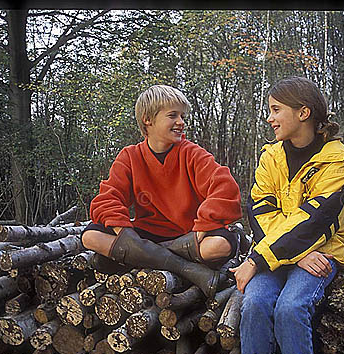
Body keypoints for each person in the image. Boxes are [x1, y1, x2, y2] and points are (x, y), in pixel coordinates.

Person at [229, 76, 344, 354]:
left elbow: (315, 221)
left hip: (322, 253)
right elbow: (260, 212)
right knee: (255, 305)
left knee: (290, 308)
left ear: (303, 113)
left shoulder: (338, 162)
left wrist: (258, 259)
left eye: (275, 109)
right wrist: (293, 253)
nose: (269, 118)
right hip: (287, 254)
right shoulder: (270, 157)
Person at [81, 84, 243, 298]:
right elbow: (108, 198)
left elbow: (225, 188)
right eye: (173, 115)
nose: (181, 122)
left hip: (188, 235)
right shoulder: (130, 156)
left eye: (182, 116)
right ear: (148, 119)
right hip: (147, 233)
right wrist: (125, 236)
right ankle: (186, 268)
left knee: (220, 245)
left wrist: (201, 230)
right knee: (90, 236)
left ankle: (138, 257)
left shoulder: (192, 153)